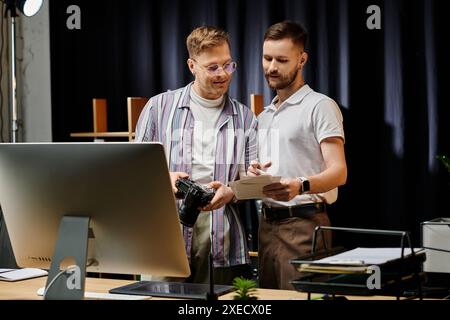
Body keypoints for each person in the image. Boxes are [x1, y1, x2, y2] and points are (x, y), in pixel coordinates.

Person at [135, 26, 257, 285]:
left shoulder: (245, 117)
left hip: (221, 239)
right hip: (165, 234)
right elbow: (132, 171)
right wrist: (163, 179)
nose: (223, 74)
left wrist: (233, 190)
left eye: (228, 65)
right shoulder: (158, 107)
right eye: (212, 67)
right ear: (192, 65)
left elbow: (252, 180)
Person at [248, 21, 347, 290]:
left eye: (281, 60)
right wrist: (254, 173)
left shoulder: (320, 106)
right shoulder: (264, 115)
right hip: (266, 227)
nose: (271, 67)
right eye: (267, 58)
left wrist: (300, 185)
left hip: (305, 225)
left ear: (302, 59)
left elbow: (339, 171)